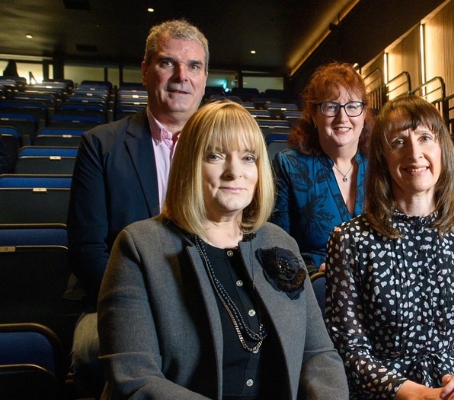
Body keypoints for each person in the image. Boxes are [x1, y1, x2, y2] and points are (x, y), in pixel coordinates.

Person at [97, 100, 348, 399]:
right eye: (215, 156)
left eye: (247, 158)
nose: (234, 172)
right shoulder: (139, 247)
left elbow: (319, 354)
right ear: (189, 164)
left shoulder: (279, 241)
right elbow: (134, 379)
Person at [326, 95, 454, 400]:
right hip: (391, 393)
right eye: (399, 142)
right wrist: (415, 393)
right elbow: (350, 351)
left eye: (425, 138)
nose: (415, 153)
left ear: (442, 150)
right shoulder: (350, 240)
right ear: (383, 158)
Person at [67, 19, 209, 396]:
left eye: (193, 66)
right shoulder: (101, 146)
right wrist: (149, 310)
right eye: (168, 63)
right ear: (146, 71)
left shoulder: (222, 151)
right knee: (92, 350)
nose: (182, 76)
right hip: (117, 302)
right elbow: (87, 249)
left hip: (207, 300)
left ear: (205, 77)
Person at [270, 62, 373, 275]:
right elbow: (277, 247)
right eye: (331, 106)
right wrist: (316, 275)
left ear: (363, 113)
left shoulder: (381, 165)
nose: (342, 117)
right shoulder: (289, 166)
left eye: (353, 106)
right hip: (313, 289)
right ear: (314, 115)